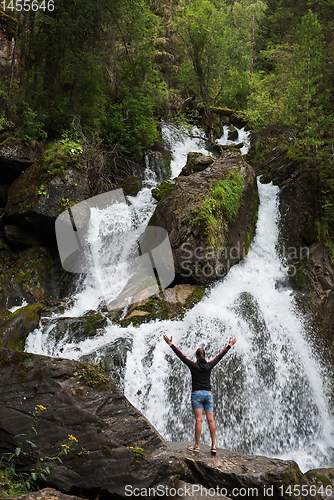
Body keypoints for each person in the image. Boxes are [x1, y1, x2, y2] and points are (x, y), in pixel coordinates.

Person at [163, 334, 236, 455]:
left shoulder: (193, 365)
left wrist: (171, 344)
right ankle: (213, 445)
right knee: (211, 420)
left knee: (199, 420)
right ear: (205, 356)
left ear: (196, 356)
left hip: (196, 395)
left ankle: (197, 446)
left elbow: (181, 357)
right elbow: (219, 356)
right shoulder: (209, 365)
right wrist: (229, 345)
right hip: (208, 394)